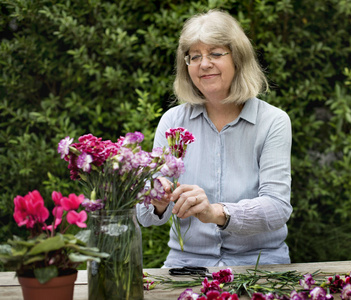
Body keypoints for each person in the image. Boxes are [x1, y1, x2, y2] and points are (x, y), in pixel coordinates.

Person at [136, 9, 292, 268]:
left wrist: (217, 212)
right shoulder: (173, 121)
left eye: (215, 53)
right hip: (186, 266)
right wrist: (157, 200)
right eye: (194, 56)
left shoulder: (272, 121)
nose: (204, 63)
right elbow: (146, 217)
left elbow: (277, 208)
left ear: (238, 59)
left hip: (259, 265)